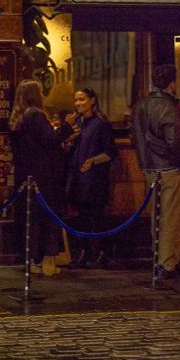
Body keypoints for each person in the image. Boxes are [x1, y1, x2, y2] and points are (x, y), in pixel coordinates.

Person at [131, 64, 180, 279]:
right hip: (168, 168)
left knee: (156, 217)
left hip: (148, 167)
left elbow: (136, 138)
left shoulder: (140, 105)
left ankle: (158, 258)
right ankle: (167, 264)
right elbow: (175, 141)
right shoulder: (168, 107)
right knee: (173, 219)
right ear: (172, 83)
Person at [8, 79, 64, 277]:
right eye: (40, 91)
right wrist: (65, 128)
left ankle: (30, 259)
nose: (43, 94)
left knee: (30, 218)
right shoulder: (37, 115)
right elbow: (50, 141)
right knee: (45, 218)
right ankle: (43, 260)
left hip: (24, 175)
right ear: (34, 94)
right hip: (43, 175)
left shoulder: (18, 117)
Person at [62, 87, 118, 268]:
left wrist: (93, 160)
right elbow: (68, 150)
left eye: (82, 99)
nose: (78, 103)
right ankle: (84, 252)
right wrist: (69, 139)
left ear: (92, 100)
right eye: (76, 100)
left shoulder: (101, 123)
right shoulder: (78, 123)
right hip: (77, 178)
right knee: (81, 218)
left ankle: (102, 253)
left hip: (94, 180)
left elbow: (110, 152)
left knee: (97, 217)